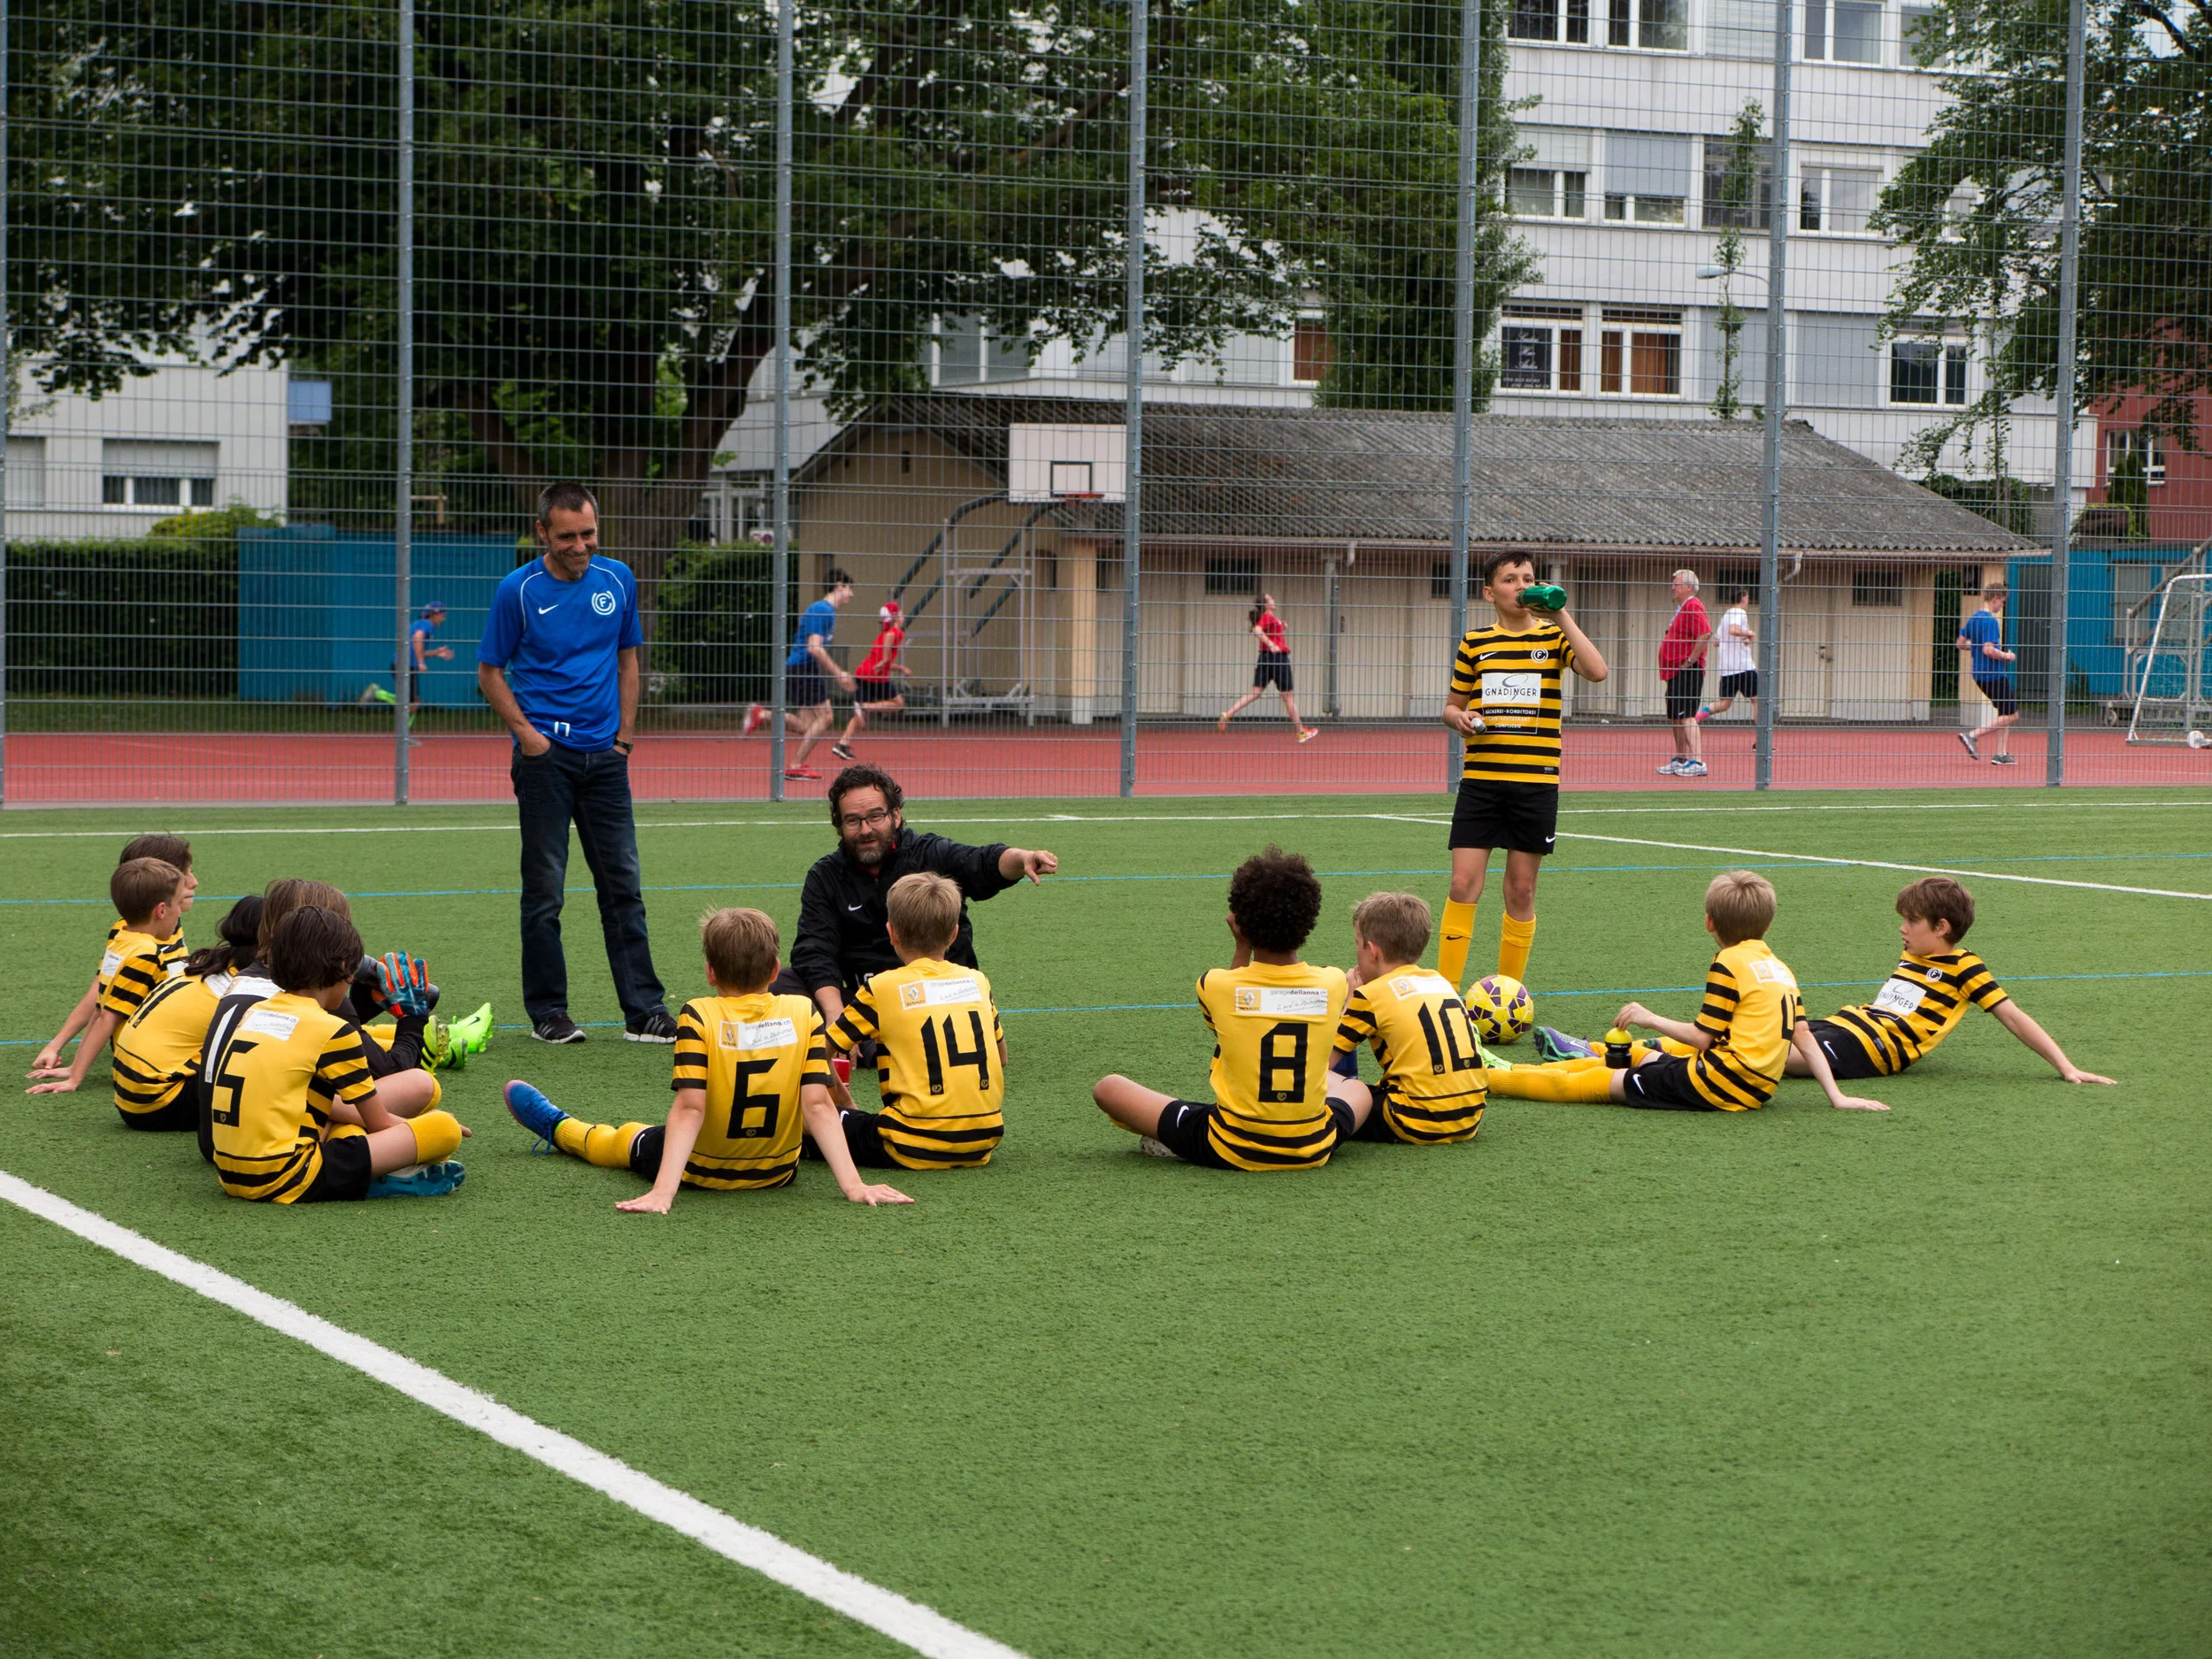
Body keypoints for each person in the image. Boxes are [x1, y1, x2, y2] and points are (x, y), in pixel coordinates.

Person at [501, 907, 913, 1210]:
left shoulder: (698, 1014)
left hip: (702, 1171)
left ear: (710, 972)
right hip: (776, 1174)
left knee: (627, 1138)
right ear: (775, 970)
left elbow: (691, 1109)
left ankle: (562, 1128)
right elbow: (819, 1106)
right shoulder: (804, 1011)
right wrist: (854, 1186)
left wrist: (663, 1192)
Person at [478, 480, 673, 1046]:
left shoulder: (618, 579)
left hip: (606, 760)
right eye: (567, 536)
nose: (581, 546)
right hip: (546, 761)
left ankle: (644, 1011)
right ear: (542, 532)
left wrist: (624, 739)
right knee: (546, 892)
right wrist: (529, 738)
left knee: (623, 887)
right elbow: (490, 672)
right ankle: (549, 1012)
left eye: (589, 533)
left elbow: (628, 660)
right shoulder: (517, 590)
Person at [1485, 871, 1889, 1111]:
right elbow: (1803, 1036)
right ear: (1767, 926)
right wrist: (1836, 1096)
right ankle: (1531, 1065)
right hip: (1753, 1089)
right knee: (1637, 1060)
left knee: (1597, 1082)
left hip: (1717, 1084)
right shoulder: (1781, 969)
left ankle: (1486, 1079)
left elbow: (1701, 1038)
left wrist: (1647, 1017)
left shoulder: (1729, 963)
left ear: (1709, 922)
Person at [1092, 846, 1357, 1170]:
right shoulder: (1333, 982)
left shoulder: (1215, 984)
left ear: (1240, 920)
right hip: (1313, 1145)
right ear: (1309, 919)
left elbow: (1227, 1022)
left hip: (1231, 1145)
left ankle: (1178, 1138)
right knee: (1358, 1092)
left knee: (1108, 1089)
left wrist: (1241, 946)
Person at [206, 905, 465, 1203]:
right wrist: (427, 1129)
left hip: (230, 1173)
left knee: (345, 1121)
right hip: (287, 1176)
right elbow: (379, 1123)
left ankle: (369, 1165)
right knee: (443, 1129)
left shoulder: (254, 1012)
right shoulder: (333, 1030)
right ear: (343, 968)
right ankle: (375, 1176)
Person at [1436, 552, 1609, 992]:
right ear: (1490, 592)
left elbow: (1597, 671)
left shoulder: (1554, 637)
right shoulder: (1475, 642)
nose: (1521, 586)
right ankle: (1446, 994)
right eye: (1510, 579)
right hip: (1481, 782)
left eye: (1528, 578)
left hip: (1535, 784)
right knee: (1462, 883)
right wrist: (1459, 719)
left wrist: (1560, 614)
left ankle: (1509, 995)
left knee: (1521, 890)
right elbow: (1452, 706)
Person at [783, 764, 1057, 1029]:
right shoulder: (825, 876)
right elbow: (815, 950)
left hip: (938, 999)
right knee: (782, 985)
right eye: (853, 820)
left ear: (896, 816)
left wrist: (1022, 858)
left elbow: (980, 862)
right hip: (866, 1004)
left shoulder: (930, 854)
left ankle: (882, 1041)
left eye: (875, 816)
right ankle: (864, 1037)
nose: (865, 829)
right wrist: (837, 1017)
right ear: (839, 825)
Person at [1790, 878, 2116, 1087]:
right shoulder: (1913, 953)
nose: (1902, 928)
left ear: (1941, 927)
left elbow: (2013, 1017)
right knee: (1767, 1032)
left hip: (1871, 1048)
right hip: (1845, 1023)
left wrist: (2066, 1067)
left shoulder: (1964, 967)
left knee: (1771, 1057)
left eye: (1912, 921)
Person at [818, 873, 1010, 1170]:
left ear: (891, 933)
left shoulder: (882, 987)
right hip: (984, 1139)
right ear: (954, 934)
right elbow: (1001, 1057)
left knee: (811, 1118)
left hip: (910, 1141)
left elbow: (818, 1054)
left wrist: (842, 1100)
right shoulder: (977, 981)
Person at [1325, 892, 1488, 1146]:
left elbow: (1321, 1064)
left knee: (1334, 1088)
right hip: (1469, 1118)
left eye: (1358, 944)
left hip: (1413, 1119)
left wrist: (1348, 1001)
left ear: (1372, 951)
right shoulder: (1440, 982)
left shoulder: (1370, 995)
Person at [32, 833, 198, 1078]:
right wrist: (58, 1048)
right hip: (154, 1049)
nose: (194, 882)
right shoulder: (134, 939)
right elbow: (101, 997)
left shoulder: (169, 923)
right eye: (186, 875)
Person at [94, 896, 265, 1132]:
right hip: (158, 1105)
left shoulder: (210, 964)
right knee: (268, 1047)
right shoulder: (244, 988)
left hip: (130, 1096)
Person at [744, 569, 856, 782]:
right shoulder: (822, 609)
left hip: (801, 668)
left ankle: (762, 715)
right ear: (839, 586)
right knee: (826, 717)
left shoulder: (826, 611)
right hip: (804, 668)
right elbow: (814, 648)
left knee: (806, 725)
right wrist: (839, 674)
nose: (851, 595)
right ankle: (795, 766)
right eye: (849, 589)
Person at [1216, 592, 1318, 743]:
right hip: (1278, 658)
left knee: (1255, 692)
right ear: (1266, 605)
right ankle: (1301, 732)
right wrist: (1272, 645)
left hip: (1264, 658)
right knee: (1288, 697)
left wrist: (1281, 628)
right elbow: (1257, 630)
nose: (1274, 600)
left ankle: (1228, 714)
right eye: (1271, 599)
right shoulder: (1268, 617)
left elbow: (1268, 631)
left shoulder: (1271, 619)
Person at [833, 600, 909, 762]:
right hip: (876, 676)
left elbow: (885, 661)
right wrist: (885, 663)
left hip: (865, 673)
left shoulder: (884, 634)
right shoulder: (895, 633)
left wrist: (900, 668)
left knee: (861, 715)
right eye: (901, 614)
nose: (903, 617)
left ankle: (842, 744)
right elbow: (885, 659)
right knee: (898, 704)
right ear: (895, 617)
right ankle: (865, 706)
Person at [1657, 568, 1712, 778]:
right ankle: (1681, 759)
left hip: (1687, 671)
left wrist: (1690, 660)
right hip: (1675, 672)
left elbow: (1705, 633)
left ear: (1690, 587)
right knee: (1676, 716)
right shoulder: (1683, 608)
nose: (1673, 587)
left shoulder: (1693, 605)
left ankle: (1698, 761)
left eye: (1677, 584)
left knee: (1687, 715)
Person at [1956, 581, 2019, 765]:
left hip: (1978, 674)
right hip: (1994, 675)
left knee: (2004, 711)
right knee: (2013, 715)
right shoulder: (1991, 621)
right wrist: (2006, 656)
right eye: (2003, 602)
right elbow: (1988, 650)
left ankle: (2001, 753)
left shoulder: (1973, 618)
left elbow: (1960, 643)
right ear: (1995, 599)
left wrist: (1975, 647)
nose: (2002, 606)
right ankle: (1972, 735)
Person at [1695, 588, 1757, 724]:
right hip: (1743, 667)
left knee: (1724, 704)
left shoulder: (1726, 616)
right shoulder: (1740, 612)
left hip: (1727, 669)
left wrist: (1744, 640)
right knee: (1758, 700)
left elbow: (1717, 642)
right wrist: (1749, 633)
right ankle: (1762, 735)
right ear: (1744, 598)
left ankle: (1698, 716)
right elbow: (1733, 630)